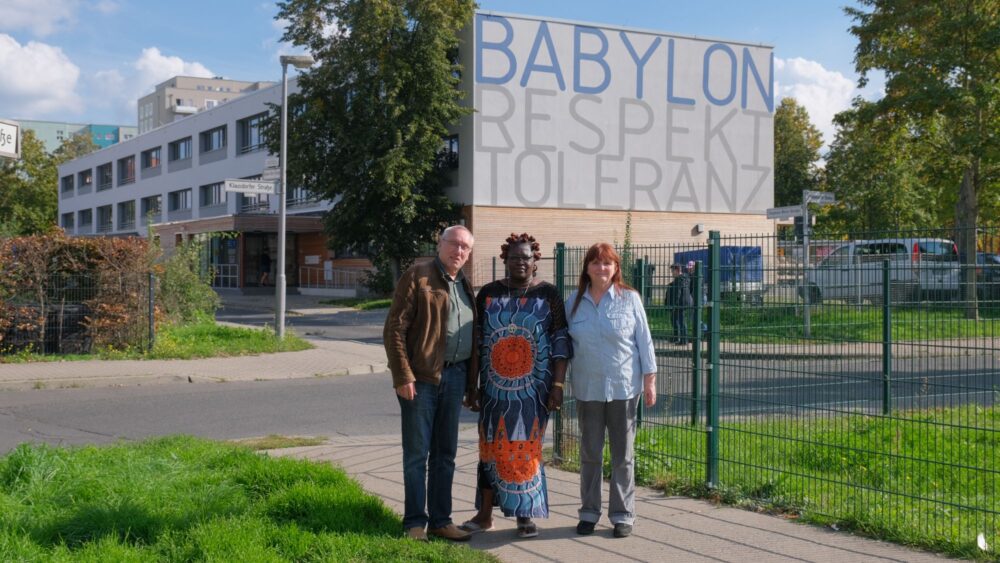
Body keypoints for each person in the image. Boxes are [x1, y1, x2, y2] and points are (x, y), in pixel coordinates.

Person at [461, 233, 571, 539]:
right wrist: (473, 386)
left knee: (526, 449)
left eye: (526, 257)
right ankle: (484, 516)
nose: (520, 262)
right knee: (489, 449)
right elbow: (477, 342)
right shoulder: (488, 294)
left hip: (534, 391)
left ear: (536, 261)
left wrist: (558, 385)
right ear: (504, 261)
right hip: (494, 391)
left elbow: (561, 341)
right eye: (514, 258)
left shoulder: (548, 295)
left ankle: (526, 514)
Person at [383, 225, 477, 542]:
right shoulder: (419, 275)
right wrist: (402, 375)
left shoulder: (464, 284)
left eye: (465, 247)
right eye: (454, 244)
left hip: (455, 377)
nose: (459, 251)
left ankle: (441, 520)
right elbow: (395, 329)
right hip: (420, 379)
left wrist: (469, 384)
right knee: (416, 454)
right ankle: (414, 523)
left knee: (445, 454)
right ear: (440, 244)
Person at [565, 242, 657, 539]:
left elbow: (645, 341)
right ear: (587, 268)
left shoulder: (629, 299)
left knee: (623, 456)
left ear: (616, 268)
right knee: (590, 453)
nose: (601, 268)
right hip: (587, 389)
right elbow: (564, 345)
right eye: (595, 263)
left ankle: (623, 515)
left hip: (623, 388)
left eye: (607, 263)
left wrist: (650, 381)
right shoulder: (573, 302)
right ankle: (589, 512)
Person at [665, 263, 692, 344]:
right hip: (684, 302)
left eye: (672, 271)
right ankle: (677, 337)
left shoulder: (679, 279)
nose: (672, 273)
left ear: (677, 270)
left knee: (681, 321)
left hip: (681, 303)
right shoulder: (684, 278)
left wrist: (674, 305)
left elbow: (678, 292)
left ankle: (684, 340)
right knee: (675, 319)